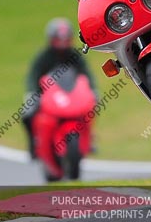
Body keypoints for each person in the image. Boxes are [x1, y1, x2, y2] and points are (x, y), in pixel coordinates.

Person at [23, 18, 96, 158]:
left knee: (90, 110)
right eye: (59, 39)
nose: (62, 43)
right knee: (27, 115)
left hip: (71, 94)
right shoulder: (43, 57)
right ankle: (33, 144)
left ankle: (89, 139)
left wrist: (92, 90)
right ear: (51, 39)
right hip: (47, 96)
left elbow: (86, 74)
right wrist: (32, 93)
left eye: (66, 39)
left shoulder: (75, 55)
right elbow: (33, 76)